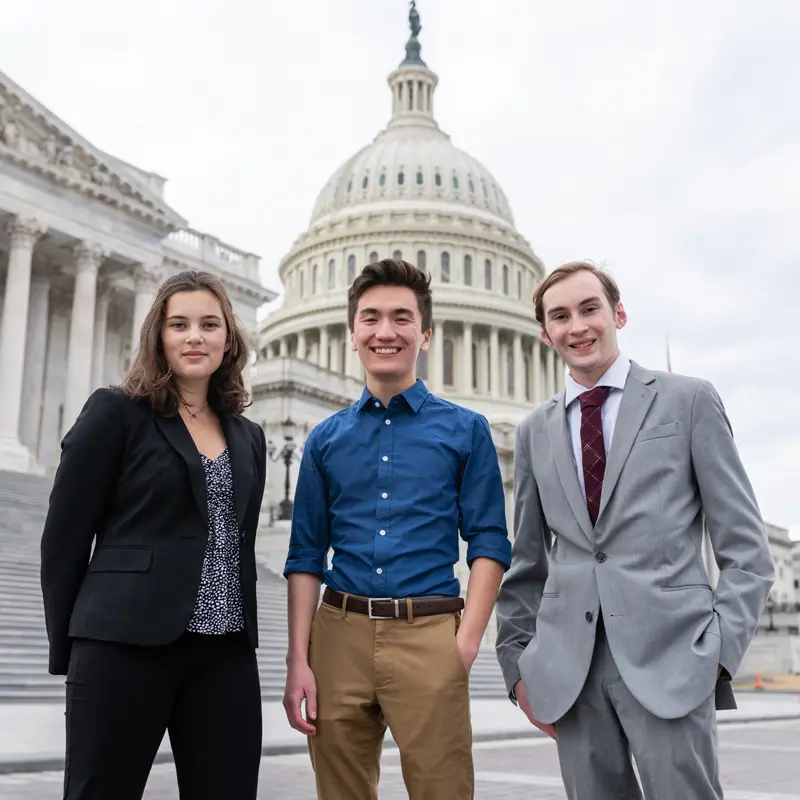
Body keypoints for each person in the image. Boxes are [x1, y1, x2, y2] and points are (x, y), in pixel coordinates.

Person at [495, 261, 775, 799]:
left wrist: (715, 656)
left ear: (618, 313)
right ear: (545, 333)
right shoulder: (534, 431)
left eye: (589, 308)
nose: (576, 326)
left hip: (673, 662)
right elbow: (526, 564)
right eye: (560, 316)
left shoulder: (688, 400)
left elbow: (746, 549)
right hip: (570, 673)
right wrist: (518, 669)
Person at [282, 258, 511, 800]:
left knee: (443, 791)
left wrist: (466, 642)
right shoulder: (323, 440)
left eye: (402, 318)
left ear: (425, 334)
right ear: (353, 333)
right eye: (371, 318)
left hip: (430, 632)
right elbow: (305, 554)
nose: (386, 331)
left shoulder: (466, 431)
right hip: (338, 634)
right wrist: (299, 659)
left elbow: (489, 541)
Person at [40, 269, 267, 800]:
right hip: (123, 646)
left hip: (225, 653)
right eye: (179, 324)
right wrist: (71, 649)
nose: (195, 336)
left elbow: (241, 543)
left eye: (210, 325)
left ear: (228, 338)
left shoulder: (249, 435)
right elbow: (63, 540)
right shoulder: (115, 411)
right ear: (158, 336)